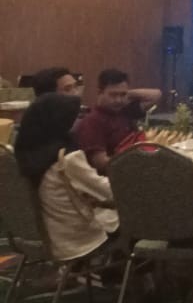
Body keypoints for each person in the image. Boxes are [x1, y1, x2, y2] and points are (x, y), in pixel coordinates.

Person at [15, 93, 119, 261]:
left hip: (48, 235)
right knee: (138, 220)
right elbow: (108, 191)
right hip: (79, 239)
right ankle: (124, 274)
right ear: (60, 121)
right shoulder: (68, 158)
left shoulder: (26, 154)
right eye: (74, 118)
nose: (78, 122)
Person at [76, 69, 162, 174]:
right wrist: (136, 164)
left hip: (138, 166)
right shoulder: (92, 122)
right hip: (116, 176)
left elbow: (156, 95)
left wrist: (127, 93)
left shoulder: (125, 110)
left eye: (122, 95)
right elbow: (100, 163)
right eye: (113, 95)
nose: (118, 100)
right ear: (99, 93)